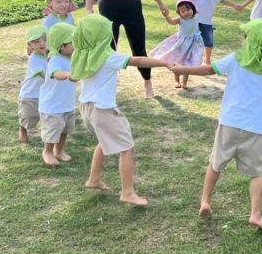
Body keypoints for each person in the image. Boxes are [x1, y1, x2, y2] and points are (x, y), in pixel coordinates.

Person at [170, 19, 262, 231]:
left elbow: (210, 70)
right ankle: (255, 214)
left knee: (216, 163)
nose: (243, 38)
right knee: (257, 173)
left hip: (229, 123)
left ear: (250, 40)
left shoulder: (237, 58)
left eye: (246, 35)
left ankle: (205, 201)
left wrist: (183, 69)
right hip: (255, 129)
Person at [71, 14, 173, 207]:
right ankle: (128, 192)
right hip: (103, 110)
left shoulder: (81, 54)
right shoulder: (108, 57)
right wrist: (165, 63)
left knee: (104, 141)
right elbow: (139, 61)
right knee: (127, 148)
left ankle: (93, 179)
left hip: (86, 109)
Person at [39, 23, 77, 167]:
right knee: (53, 129)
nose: (77, 45)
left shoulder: (73, 57)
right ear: (61, 46)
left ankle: (59, 151)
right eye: (73, 42)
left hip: (67, 103)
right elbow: (56, 74)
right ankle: (47, 151)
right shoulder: (55, 59)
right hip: (52, 105)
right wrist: (68, 74)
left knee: (65, 129)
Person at [188, 0, 243, 65]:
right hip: (195, 20)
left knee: (209, 42)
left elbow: (223, 1)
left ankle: (207, 59)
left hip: (207, 22)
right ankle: (189, 58)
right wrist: (191, 9)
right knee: (192, 40)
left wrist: (234, 5)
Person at [150, 0, 204, 89]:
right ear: (179, 13)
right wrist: (166, 16)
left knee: (188, 64)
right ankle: (176, 80)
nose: (186, 12)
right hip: (181, 43)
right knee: (177, 62)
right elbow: (171, 22)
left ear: (193, 9)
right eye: (182, 11)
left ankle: (184, 83)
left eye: (188, 9)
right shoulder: (180, 20)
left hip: (193, 43)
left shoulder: (197, 16)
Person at [18, 25, 48, 144]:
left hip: (45, 93)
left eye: (45, 39)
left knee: (48, 116)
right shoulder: (34, 59)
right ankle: (23, 129)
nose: (41, 43)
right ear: (29, 45)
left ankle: (48, 138)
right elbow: (44, 74)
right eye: (36, 42)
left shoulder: (51, 54)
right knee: (28, 117)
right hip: (30, 95)